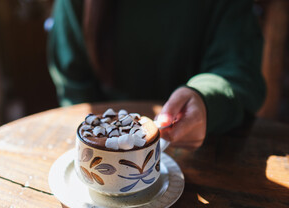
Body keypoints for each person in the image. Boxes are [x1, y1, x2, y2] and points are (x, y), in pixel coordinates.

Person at [48, 0, 266, 149]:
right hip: (96, 154)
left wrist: (205, 97)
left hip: (203, 151)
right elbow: (72, 78)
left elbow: (239, 67)